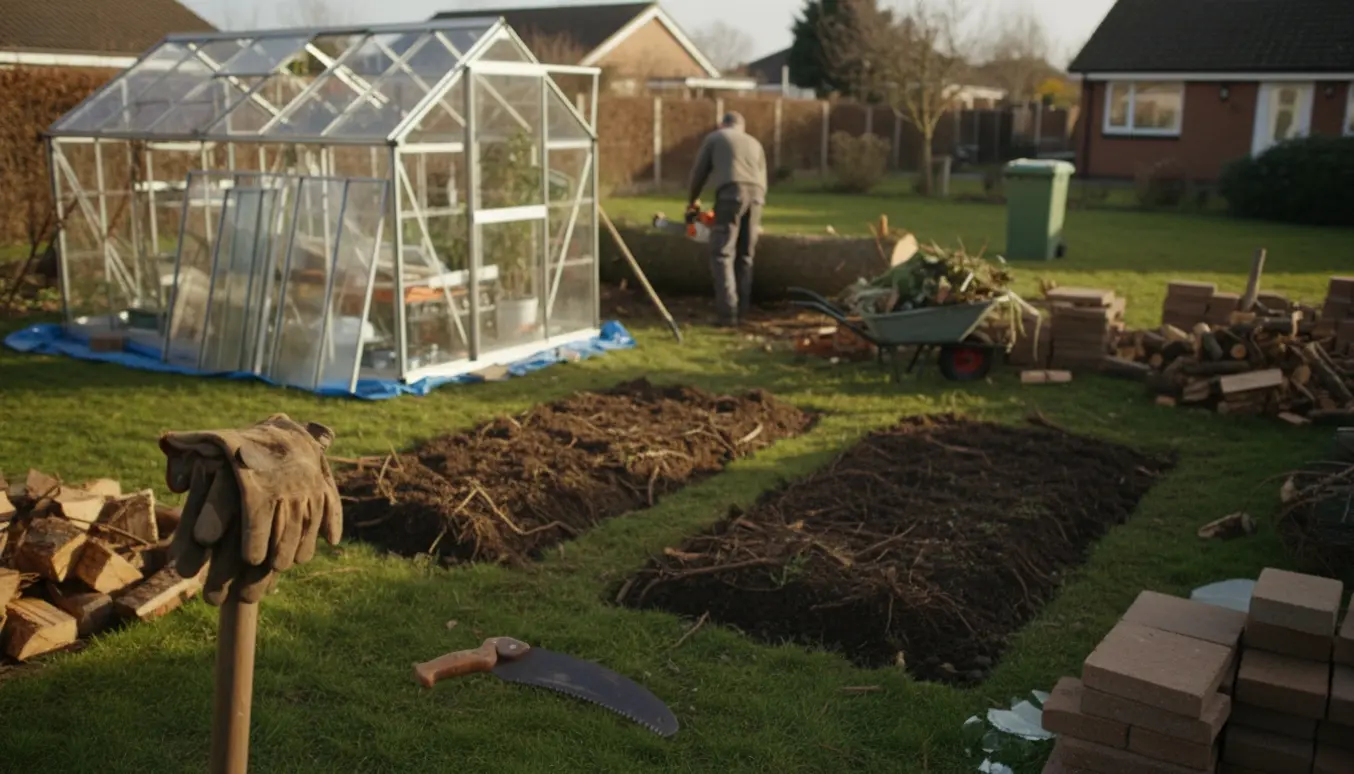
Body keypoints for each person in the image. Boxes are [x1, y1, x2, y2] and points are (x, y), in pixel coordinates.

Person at [686, 111, 768, 328]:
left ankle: (727, 314)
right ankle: (742, 311)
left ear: (722, 124)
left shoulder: (716, 137)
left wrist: (692, 201)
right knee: (746, 254)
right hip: (758, 196)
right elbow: (762, 177)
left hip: (732, 193)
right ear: (742, 126)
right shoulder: (755, 143)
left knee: (722, 253)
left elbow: (699, 172)